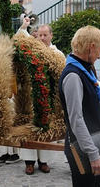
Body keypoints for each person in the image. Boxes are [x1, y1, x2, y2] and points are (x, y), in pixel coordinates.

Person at [59, 25, 100, 187]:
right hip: (83, 146)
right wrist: (93, 153)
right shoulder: (74, 75)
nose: (99, 56)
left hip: (93, 140)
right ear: (91, 47)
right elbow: (76, 119)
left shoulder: (85, 69)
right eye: (99, 51)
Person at [17, 18, 65, 175]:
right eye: (40, 35)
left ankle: (43, 161)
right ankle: (29, 162)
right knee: (31, 128)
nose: (43, 38)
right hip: (31, 96)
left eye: (45, 35)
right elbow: (17, 40)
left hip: (49, 98)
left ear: (51, 35)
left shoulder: (57, 54)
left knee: (45, 127)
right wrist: (23, 27)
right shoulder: (31, 52)